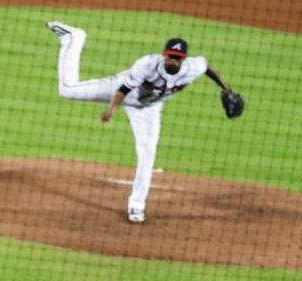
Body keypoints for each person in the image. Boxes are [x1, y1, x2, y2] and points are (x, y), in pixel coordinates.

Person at [47, 22, 236, 223]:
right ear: (164, 55)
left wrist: (226, 89)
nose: (173, 61)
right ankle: (74, 38)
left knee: (147, 154)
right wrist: (112, 110)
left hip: (149, 108)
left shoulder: (193, 67)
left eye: (178, 58)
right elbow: (124, 90)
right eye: (171, 56)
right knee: (67, 89)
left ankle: (136, 206)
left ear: (184, 59)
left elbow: (207, 67)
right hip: (119, 91)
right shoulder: (147, 64)